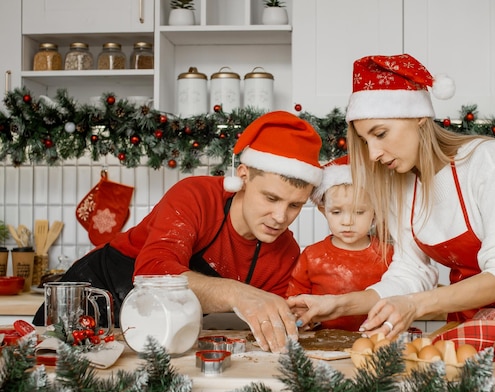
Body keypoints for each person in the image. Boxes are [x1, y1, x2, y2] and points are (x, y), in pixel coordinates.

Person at [288, 54, 495, 341]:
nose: (373, 154)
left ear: (418, 117)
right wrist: (337, 305)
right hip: (469, 325)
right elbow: (409, 273)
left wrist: (414, 305)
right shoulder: (403, 184)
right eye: (366, 142)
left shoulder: (488, 162)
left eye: (380, 134)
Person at [34, 110, 324, 353]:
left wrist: (295, 316)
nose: (280, 217)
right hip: (95, 296)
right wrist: (239, 294)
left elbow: (272, 315)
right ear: (243, 176)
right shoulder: (196, 195)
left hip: (155, 329)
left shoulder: (285, 252)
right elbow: (153, 275)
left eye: (295, 205)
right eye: (271, 198)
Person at [285, 156, 393, 331]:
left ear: (375, 212)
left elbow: (399, 300)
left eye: (359, 212)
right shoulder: (312, 256)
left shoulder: (387, 254)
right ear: (323, 210)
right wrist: (300, 316)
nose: (347, 221)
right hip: (321, 343)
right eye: (336, 212)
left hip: (375, 340)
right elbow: (295, 299)